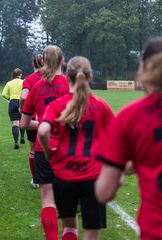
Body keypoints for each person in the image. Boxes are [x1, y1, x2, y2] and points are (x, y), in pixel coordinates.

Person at [95, 36, 162, 240]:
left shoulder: (131, 116)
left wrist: (123, 170)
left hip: (158, 232)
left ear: (144, 67)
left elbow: (104, 192)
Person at [38, 56, 114, 240]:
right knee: (91, 231)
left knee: (69, 226)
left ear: (67, 77)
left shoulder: (58, 105)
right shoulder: (100, 105)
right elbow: (116, 136)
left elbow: (43, 130)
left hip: (64, 176)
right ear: (89, 77)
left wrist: (48, 153)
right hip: (93, 176)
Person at [20, 45, 69, 240]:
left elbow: (23, 123)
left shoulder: (37, 86)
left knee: (47, 200)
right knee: (67, 201)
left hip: (42, 149)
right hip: (66, 149)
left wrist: (42, 123)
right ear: (62, 61)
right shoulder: (69, 85)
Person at [20, 54, 44, 188]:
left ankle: (36, 179)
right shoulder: (53, 77)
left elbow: (24, 96)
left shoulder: (29, 79)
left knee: (34, 150)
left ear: (32, 64)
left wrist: (23, 109)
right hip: (52, 118)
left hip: (34, 118)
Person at [2, 68, 25, 149]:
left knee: (15, 123)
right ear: (20, 75)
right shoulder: (23, 82)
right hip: (21, 102)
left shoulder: (9, 83)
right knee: (22, 121)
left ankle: (16, 142)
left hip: (12, 102)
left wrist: (9, 98)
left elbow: (4, 94)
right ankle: (22, 137)